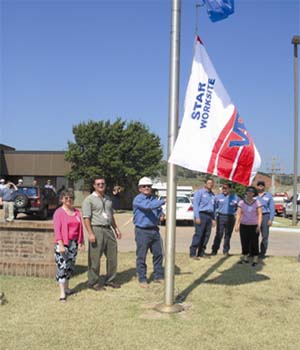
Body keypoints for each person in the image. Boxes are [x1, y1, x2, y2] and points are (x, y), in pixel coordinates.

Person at [82, 176, 122, 291]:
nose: (101, 185)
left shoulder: (108, 199)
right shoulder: (89, 200)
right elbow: (86, 218)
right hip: (96, 229)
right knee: (95, 258)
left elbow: (111, 215)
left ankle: (111, 279)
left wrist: (116, 229)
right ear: (94, 186)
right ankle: (93, 282)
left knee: (112, 256)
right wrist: (90, 233)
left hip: (108, 229)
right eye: (98, 184)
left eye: (103, 183)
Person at [132, 177, 165, 288]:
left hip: (154, 230)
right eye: (144, 186)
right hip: (142, 231)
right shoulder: (138, 199)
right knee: (142, 255)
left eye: (149, 186)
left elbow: (159, 209)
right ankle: (142, 278)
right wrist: (164, 200)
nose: (147, 188)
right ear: (140, 188)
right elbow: (148, 207)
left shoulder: (154, 199)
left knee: (158, 254)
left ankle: (158, 276)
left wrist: (161, 214)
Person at [53, 190, 85, 302]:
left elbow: (80, 228)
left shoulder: (76, 212)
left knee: (70, 266)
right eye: (66, 198)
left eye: (71, 197)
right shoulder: (59, 212)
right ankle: (62, 293)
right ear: (61, 199)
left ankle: (66, 288)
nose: (69, 200)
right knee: (62, 266)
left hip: (74, 243)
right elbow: (57, 230)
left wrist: (81, 241)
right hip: (63, 243)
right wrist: (61, 244)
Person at [234, 187, 262, 267]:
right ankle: (245, 258)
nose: (249, 194)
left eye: (251, 192)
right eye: (248, 192)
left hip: (254, 225)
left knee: (254, 242)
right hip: (244, 225)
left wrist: (259, 225)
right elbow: (239, 214)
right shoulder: (241, 203)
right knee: (244, 242)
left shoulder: (257, 202)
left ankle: (255, 259)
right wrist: (237, 224)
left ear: (254, 194)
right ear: (246, 193)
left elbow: (260, 214)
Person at [190, 178, 216, 259]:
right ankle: (193, 253)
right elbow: (196, 205)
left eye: (211, 183)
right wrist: (197, 216)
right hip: (201, 215)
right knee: (199, 234)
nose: (210, 184)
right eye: (208, 183)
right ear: (205, 184)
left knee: (206, 235)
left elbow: (214, 208)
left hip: (209, 216)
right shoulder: (199, 193)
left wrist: (213, 218)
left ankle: (201, 252)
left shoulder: (213, 195)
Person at [211, 183, 239, 256]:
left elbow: (238, 207)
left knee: (228, 235)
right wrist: (214, 218)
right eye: (223, 188)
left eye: (226, 188)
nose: (224, 190)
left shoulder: (235, 197)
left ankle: (226, 251)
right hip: (221, 217)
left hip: (230, 217)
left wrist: (236, 214)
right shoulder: (218, 197)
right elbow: (214, 208)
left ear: (230, 189)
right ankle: (214, 250)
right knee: (219, 234)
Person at [256, 181, 275, 259]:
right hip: (255, 216)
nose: (260, 187)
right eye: (259, 185)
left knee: (265, 236)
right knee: (254, 235)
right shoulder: (254, 195)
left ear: (264, 187)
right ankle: (254, 252)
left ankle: (262, 252)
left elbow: (272, 209)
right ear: (257, 186)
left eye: (262, 186)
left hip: (265, 216)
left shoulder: (269, 196)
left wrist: (270, 219)